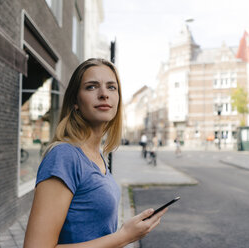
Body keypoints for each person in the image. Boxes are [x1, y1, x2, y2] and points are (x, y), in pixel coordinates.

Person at [24, 58, 168, 247]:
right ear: (75, 101)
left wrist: (124, 233)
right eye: (91, 87)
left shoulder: (98, 155)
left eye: (111, 87)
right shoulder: (64, 156)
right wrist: (124, 236)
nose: (104, 94)